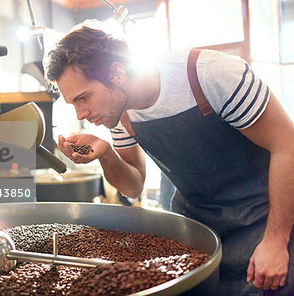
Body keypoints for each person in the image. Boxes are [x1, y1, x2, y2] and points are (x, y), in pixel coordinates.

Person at [44, 24, 294, 295]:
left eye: (84, 98)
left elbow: (287, 147)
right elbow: (133, 186)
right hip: (196, 227)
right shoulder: (118, 112)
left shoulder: (210, 75)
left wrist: (276, 242)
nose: (81, 114)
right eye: (73, 104)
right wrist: (106, 154)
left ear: (116, 73)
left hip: (266, 219)